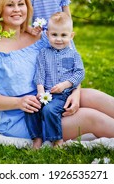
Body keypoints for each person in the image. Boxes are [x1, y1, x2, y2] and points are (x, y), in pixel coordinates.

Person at [0, 0, 114, 144]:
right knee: (89, 117)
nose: (17, 9)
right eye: (10, 5)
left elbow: (72, 68)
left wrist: (75, 93)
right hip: (23, 117)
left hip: (53, 99)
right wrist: (18, 102)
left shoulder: (40, 38)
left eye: (21, 4)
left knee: (92, 96)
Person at [25, 12, 85, 148]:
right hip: (46, 93)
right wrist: (40, 91)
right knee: (31, 108)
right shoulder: (43, 54)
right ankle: (37, 138)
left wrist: (65, 85)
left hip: (63, 95)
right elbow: (39, 74)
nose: (59, 39)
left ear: (71, 36)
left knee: (49, 110)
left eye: (64, 35)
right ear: (47, 35)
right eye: (54, 35)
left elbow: (80, 73)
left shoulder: (73, 54)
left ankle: (57, 140)